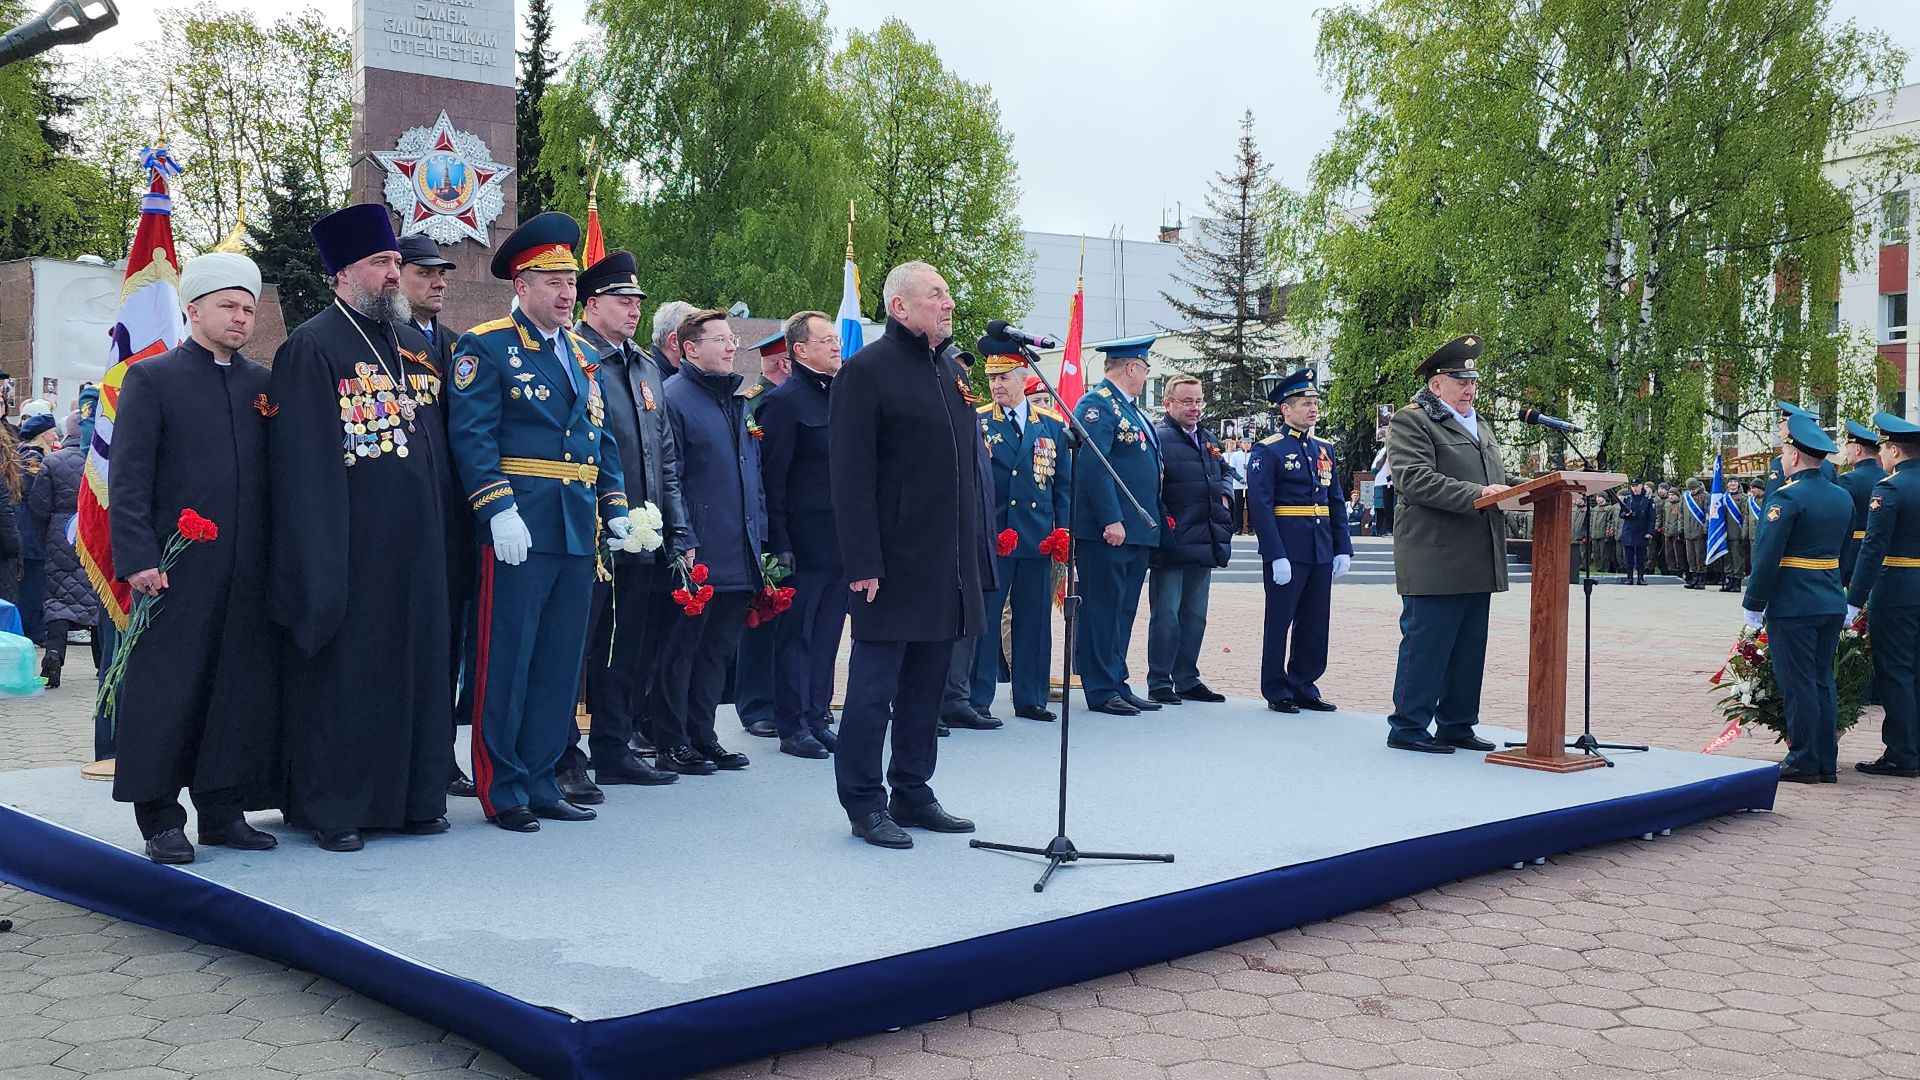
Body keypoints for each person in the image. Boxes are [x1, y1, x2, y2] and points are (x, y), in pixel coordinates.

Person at [269, 203, 457, 850]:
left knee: (416, 671)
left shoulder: (407, 344)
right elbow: (305, 469)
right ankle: (336, 809)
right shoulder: (313, 346)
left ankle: (411, 796)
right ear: (342, 274)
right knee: (349, 681)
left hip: (417, 549)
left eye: (393, 263)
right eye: (380, 264)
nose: (391, 275)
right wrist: (320, 565)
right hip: (350, 552)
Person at [447, 211, 633, 829]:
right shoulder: (488, 345)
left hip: (576, 526)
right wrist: (497, 508)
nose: (564, 293)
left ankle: (544, 776)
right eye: (551, 280)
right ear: (521, 284)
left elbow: (599, 437)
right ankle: (502, 789)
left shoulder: (582, 354)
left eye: (570, 281)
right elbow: (472, 436)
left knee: (560, 661)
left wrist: (615, 507)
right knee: (508, 657)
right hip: (520, 526)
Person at [106, 252, 280, 864]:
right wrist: (138, 558)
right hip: (173, 572)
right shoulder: (152, 380)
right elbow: (127, 480)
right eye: (228, 306)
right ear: (194, 309)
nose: (240, 318)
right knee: (167, 690)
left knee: (236, 688)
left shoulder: (261, 384)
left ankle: (222, 809)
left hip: (246, 570)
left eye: (248, 309)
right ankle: (159, 817)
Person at [828, 260, 987, 849]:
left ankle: (913, 788)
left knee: (927, 687)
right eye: (936, 296)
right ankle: (864, 801)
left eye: (948, 295)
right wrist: (863, 560)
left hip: (944, 565)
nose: (948, 305)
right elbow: (849, 475)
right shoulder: (867, 372)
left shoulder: (950, 372)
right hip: (890, 565)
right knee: (873, 690)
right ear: (899, 306)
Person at [556, 251, 684, 790]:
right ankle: (564, 755)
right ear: (591, 304)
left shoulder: (645, 365)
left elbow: (665, 456)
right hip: (587, 528)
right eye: (622, 300)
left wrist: (677, 529)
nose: (634, 311)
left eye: (637, 302)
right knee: (576, 645)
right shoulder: (575, 357)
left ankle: (615, 744)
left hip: (640, 530)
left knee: (625, 643)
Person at [1382, 335, 1509, 754]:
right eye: (1460, 381)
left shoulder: (1481, 425)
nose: (1470, 389)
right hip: (1434, 556)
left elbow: (1496, 482)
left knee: (1468, 648)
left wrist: (1540, 491)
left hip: (1477, 555)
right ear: (1436, 385)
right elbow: (1413, 479)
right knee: (1427, 646)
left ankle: (1456, 723)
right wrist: (1480, 496)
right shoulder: (1412, 421)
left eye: (1473, 381)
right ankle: (1408, 725)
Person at [654, 309, 761, 775]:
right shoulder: (675, 397)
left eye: (732, 337)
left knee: (717, 651)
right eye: (720, 340)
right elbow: (669, 475)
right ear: (690, 349)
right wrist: (683, 537)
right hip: (696, 551)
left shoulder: (733, 400)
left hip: (736, 546)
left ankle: (704, 734)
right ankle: (671, 740)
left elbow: (749, 476)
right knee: (681, 651)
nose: (731, 346)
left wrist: (761, 538)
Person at [397, 232, 479, 798]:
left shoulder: (456, 345)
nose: (438, 281)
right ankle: (404, 752)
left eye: (442, 273)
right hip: (401, 521)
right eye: (424, 272)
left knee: (448, 639)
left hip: (453, 519)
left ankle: (440, 751)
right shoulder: (383, 342)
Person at [1742, 412, 1851, 784]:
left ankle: (1803, 759)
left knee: (1798, 682)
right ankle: (1824, 760)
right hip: (1830, 599)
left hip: (1794, 603)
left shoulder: (1787, 499)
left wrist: (1754, 602)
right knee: (1822, 680)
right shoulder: (1841, 497)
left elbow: (1768, 554)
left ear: (1793, 457)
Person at [759, 311, 849, 758]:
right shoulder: (785, 401)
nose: (836, 345)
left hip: (840, 540)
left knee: (829, 632)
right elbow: (772, 481)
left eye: (836, 338)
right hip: (800, 539)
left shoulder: (841, 397)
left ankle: (817, 715)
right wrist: (780, 544)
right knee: (798, 634)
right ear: (800, 350)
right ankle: (792, 724)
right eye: (827, 339)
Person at [971, 343, 1071, 723]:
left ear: (1024, 378)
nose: (996, 384)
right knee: (986, 620)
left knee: (1034, 620)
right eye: (992, 378)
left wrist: (1062, 531)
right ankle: (977, 697)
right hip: (994, 534)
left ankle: (1031, 696)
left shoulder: (1051, 425)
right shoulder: (978, 420)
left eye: (1004, 377)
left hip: (1036, 535)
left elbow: (1062, 484)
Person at [1071, 336, 1166, 716]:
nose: (1144, 378)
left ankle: (1116, 679)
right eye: (1144, 370)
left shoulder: (1131, 409)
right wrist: (1111, 517)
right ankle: (1099, 687)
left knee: (1123, 609)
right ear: (1131, 367)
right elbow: (1095, 465)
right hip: (1109, 530)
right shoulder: (1097, 404)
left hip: (1136, 530)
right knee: (1102, 609)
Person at [1247, 368, 1352, 713]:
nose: (1312, 409)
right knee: (1280, 620)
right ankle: (1276, 688)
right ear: (1285, 409)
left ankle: (1304, 683)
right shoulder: (1269, 450)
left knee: (1314, 619)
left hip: (1319, 545)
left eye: (1314, 403)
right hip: (1288, 547)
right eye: (1305, 403)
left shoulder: (1324, 449)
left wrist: (1343, 546)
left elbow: (1334, 499)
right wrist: (1275, 554)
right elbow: (1260, 506)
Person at [1145, 375, 1232, 705]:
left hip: (1204, 539)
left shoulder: (1208, 439)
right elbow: (1150, 485)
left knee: (1195, 615)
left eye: (1198, 401)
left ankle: (1187, 677)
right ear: (1168, 404)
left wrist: (1225, 497)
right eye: (1187, 401)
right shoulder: (1158, 437)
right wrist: (1165, 520)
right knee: (1166, 614)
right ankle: (1159, 680)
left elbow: (1223, 470)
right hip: (1172, 541)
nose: (1195, 408)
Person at [938, 345, 1004, 736]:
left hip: (974, 534)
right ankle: (929, 700)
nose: (963, 381)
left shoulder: (971, 420)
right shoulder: (940, 420)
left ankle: (956, 698)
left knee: (967, 622)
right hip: (944, 537)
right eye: (955, 373)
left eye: (964, 375)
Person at [1850, 411, 1920, 777]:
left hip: (1897, 588)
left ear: (1894, 450)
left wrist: (1854, 597)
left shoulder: (1890, 488)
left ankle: (1902, 753)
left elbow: (1873, 548)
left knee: (1896, 670)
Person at [732, 331, 793, 740]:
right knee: (762, 618)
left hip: (787, 524)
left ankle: (784, 700)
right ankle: (756, 705)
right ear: (786, 363)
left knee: (787, 621)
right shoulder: (760, 402)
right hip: (765, 523)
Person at [26, 394, 101, 689]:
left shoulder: (52, 462)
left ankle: (54, 654)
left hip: (60, 534)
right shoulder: (102, 462)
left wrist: (49, 534)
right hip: (94, 531)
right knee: (98, 595)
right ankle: (102, 662)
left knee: (58, 598)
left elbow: (38, 507)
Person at [14, 412, 54, 646]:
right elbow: (37, 496)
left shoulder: (23, 454)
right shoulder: (33, 458)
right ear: (42, 435)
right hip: (31, 531)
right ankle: (34, 632)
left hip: (26, 529)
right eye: (51, 432)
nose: (55, 435)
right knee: (33, 585)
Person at [1838, 420, 1887, 589]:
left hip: (1852, 553)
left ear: (1857, 449)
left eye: (1848, 446)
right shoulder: (1889, 478)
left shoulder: (1847, 480)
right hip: (1884, 553)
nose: (1846, 451)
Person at [1619, 479, 1655, 585]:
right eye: (1633, 485)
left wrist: (1650, 532)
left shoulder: (1648, 500)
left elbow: (1651, 518)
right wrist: (1626, 514)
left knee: (1641, 557)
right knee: (1628, 557)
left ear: (1641, 486)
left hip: (1641, 531)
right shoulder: (1627, 499)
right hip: (1629, 531)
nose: (1635, 488)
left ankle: (1640, 577)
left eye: (1637, 485)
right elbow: (1621, 514)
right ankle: (1629, 577)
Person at [1680, 478, 1709, 589]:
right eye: (1690, 489)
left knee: (1700, 556)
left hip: (1700, 531)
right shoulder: (1685, 497)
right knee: (1691, 556)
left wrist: (1705, 529)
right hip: (1688, 531)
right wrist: (1681, 529)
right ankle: (1694, 578)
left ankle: (1701, 579)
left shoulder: (1705, 496)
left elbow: (1708, 514)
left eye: (1694, 488)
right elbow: (1681, 514)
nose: (1693, 490)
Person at [1226, 438, 1250, 534]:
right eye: (1245, 443)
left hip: (1250, 486)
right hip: (1238, 485)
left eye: (1249, 443)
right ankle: (1238, 528)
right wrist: (1239, 478)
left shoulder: (1253, 455)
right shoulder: (1236, 455)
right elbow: (1231, 470)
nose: (1247, 444)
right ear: (1241, 444)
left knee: (1251, 507)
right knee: (1238, 508)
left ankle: (1251, 527)